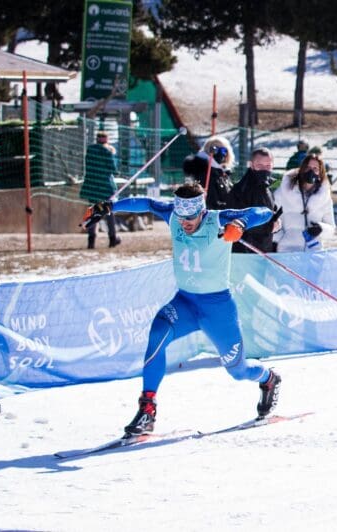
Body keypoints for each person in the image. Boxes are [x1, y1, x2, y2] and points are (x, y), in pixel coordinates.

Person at [82, 182, 282, 436]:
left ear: (201, 211)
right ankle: (147, 410)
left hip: (217, 308)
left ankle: (268, 379)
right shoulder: (174, 215)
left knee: (238, 370)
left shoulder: (218, 220)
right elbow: (145, 203)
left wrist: (240, 224)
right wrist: (109, 206)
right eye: (182, 217)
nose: (185, 223)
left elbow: (262, 212)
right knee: (157, 334)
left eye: (190, 218)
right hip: (185, 302)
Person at [273, 153, 335, 252]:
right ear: (302, 169)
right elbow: (274, 222)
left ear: (320, 173)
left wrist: (321, 229)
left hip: (314, 252)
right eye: (308, 167)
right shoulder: (283, 193)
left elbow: (331, 228)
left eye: (315, 168)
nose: (311, 171)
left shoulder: (325, 198)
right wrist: (277, 242)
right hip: (287, 252)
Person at [228, 147, 282, 253]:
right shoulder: (241, 189)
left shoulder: (266, 187)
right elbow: (239, 221)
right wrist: (269, 226)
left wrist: (275, 218)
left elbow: (267, 210)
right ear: (251, 165)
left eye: (268, 166)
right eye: (259, 165)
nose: (264, 169)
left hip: (262, 249)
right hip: (245, 252)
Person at [81, 131, 121, 249]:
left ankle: (91, 240)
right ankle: (112, 238)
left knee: (93, 212)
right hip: (105, 187)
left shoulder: (90, 150)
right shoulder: (107, 151)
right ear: (106, 139)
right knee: (109, 212)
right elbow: (113, 169)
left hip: (92, 187)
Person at [182, 135, 235, 209]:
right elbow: (211, 202)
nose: (220, 154)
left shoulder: (222, 172)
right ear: (209, 150)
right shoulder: (204, 171)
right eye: (215, 149)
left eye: (223, 150)